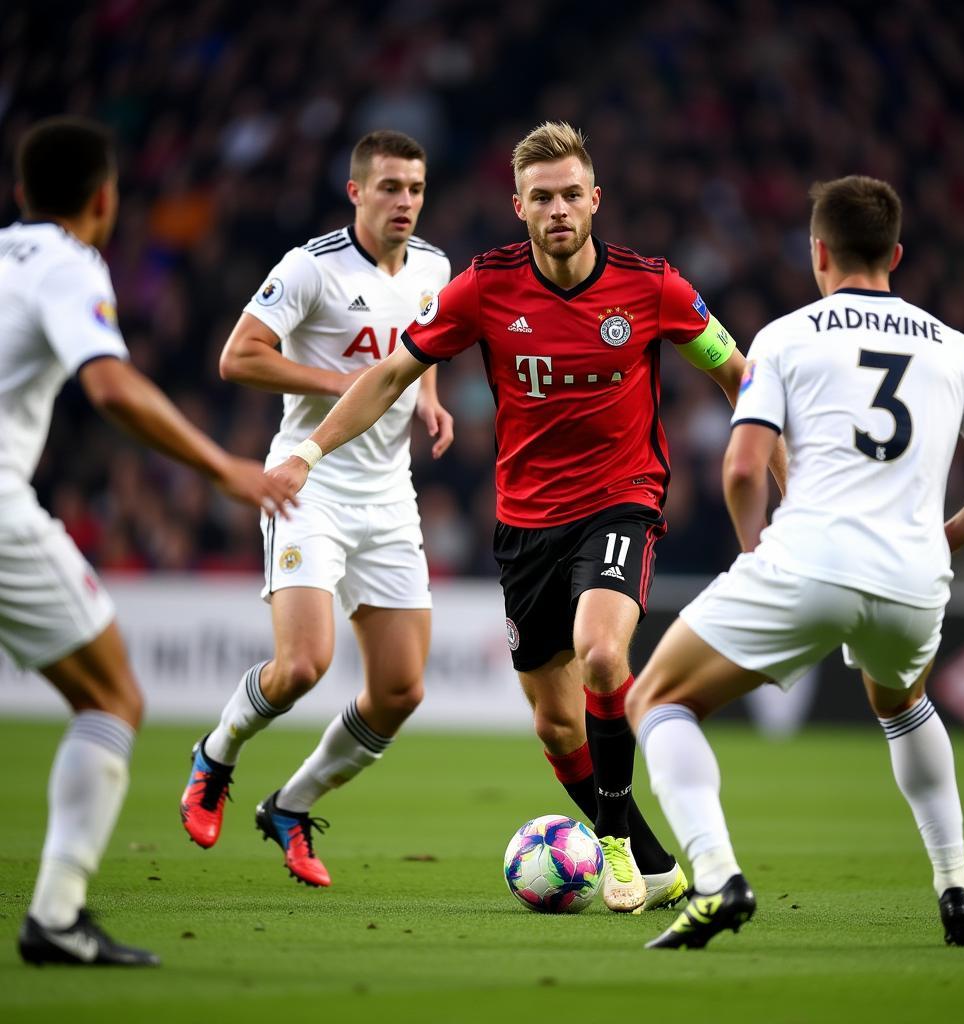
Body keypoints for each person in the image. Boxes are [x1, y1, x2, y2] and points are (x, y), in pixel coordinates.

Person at [266, 122, 782, 912]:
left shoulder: (653, 287)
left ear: (595, 199)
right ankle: (648, 856)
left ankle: (608, 840)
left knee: (603, 657)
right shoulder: (483, 287)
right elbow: (391, 374)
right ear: (519, 207)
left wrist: (786, 479)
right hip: (525, 524)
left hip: (621, 500)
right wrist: (308, 452)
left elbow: (741, 374)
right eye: (542, 198)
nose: (559, 210)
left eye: (573, 195)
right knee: (555, 726)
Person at [627, 175, 964, 950]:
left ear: (818, 252)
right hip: (914, 580)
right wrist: (949, 537)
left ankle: (716, 879)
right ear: (896, 254)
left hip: (806, 563)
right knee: (902, 702)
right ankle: (956, 889)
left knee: (657, 699)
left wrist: (754, 554)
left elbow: (744, 468)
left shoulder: (785, 336)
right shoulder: (954, 347)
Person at [3, 117, 298, 966]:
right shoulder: (68, 262)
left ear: (22, 194)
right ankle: (57, 917)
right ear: (104, 199)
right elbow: (111, 385)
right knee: (111, 698)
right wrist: (219, 467)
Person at [179, 130, 453, 888]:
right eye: (391, 187)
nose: (405, 201)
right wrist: (344, 386)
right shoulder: (311, 267)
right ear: (356, 191)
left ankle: (291, 806)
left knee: (401, 690)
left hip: (389, 493)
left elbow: (424, 346)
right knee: (303, 665)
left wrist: (427, 399)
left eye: (416, 188)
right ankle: (216, 755)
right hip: (311, 483)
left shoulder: (434, 266)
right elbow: (238, 357)